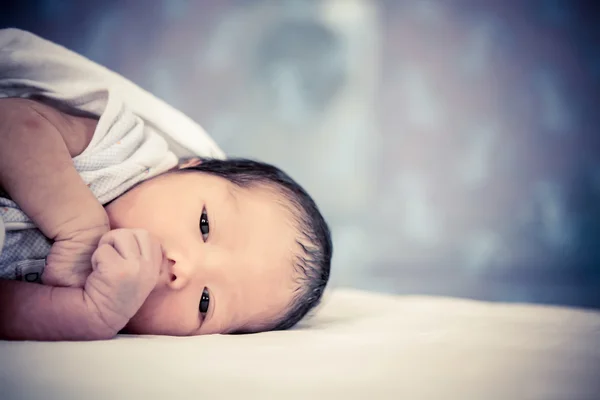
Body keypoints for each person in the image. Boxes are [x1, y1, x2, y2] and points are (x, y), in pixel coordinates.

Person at [0, 96, 332, 340]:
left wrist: (88, 314)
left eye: (204, 303)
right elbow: (12, 124)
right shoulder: (120, 152)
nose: (182, 269)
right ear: (188, 167)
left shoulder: (99, 314)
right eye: (204, 225)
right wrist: (79, 230)